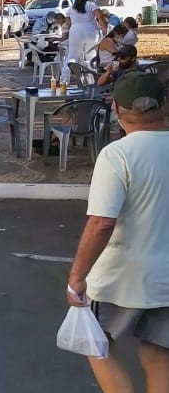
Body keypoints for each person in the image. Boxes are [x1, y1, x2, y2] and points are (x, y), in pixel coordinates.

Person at [67, 72, 169, 393]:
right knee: (158, 354)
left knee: (96, 344)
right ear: (165, 105)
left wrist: (77, 277)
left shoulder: (117, 155)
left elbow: (102, 223)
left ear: (115, 108)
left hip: (120, 279)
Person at [62, 0, 103, 84]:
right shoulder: (91, 5)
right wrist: (104, 28)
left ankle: (64, 80)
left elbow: (68, 23)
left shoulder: (71, 8)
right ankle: (91, 80)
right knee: (91, 56)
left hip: (75, 32)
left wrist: (73, 30)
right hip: (91, 32)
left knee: (72, 56)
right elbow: (100, 16)